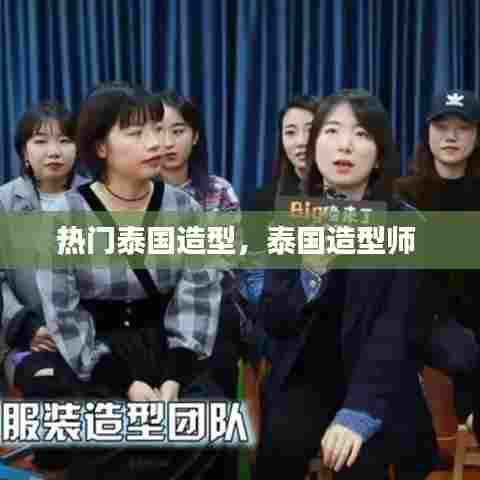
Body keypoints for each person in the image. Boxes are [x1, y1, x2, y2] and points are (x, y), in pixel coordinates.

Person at [31, 87, 223, 478]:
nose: (155, 143)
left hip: (168, 347)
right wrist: (124, 383)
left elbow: (198, 292)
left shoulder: (183, 208)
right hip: (96, 355)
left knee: (206, 429)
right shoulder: (64, 215)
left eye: (156, 129)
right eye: (136, 134)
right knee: (114, 441)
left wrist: (174, 377)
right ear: (101, 147)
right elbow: (63, 312)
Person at [254, 89, 437, 479]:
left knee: (359, 460)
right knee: (279, 448)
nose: (345, 145)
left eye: (361, 134)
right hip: (306, 378)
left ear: (379, 154)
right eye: (332, 131)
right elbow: (273, 318)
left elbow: (396, 329)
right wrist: (310, 278)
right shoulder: (294, 217)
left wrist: (359, 413)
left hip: (378, 382)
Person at [154, 89, 248, 479]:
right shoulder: (134, 192)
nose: (167, 141)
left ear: (194, 137)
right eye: (158, 130)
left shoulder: (218, 192)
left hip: (210, 309)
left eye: (178, 130)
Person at [394, 89, 480, 433]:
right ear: (428, 133)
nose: (451, 136)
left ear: (476, 135)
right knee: (464, 350)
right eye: (442, 127)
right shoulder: (402, 194)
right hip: (428, 318)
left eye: (463, 128)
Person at [0, 101, 89, 392]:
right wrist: (27, 327)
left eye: (65, 140)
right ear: (24, 152)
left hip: (90, 336)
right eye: (40, 141)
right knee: (46, 381)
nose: (54, 151)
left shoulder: (97, 199)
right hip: (24, 339)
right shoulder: (4, 203)